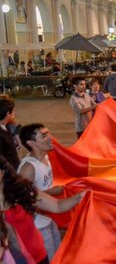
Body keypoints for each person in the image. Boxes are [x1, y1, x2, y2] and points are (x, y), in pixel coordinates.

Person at [0, 155, 84, 264]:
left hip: (39, 253)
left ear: (2, 171)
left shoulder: (21, 190)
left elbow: (57, 205)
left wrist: (80, 197)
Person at [18, 124, 64, 261]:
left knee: (58, 256)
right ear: (30, 143)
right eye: (44, 136)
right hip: (36, 226)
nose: (50, 138)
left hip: (47, 219)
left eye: (48, 133)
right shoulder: (28, 168)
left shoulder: (46, 158)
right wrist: (51, 192)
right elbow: (20, 200)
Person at [0, 95, 20, 169]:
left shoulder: (8, 125)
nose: (15, 113)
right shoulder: (1, 136)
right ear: (8, 114)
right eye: (13, 110)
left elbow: (17, 130)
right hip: (10, 176)